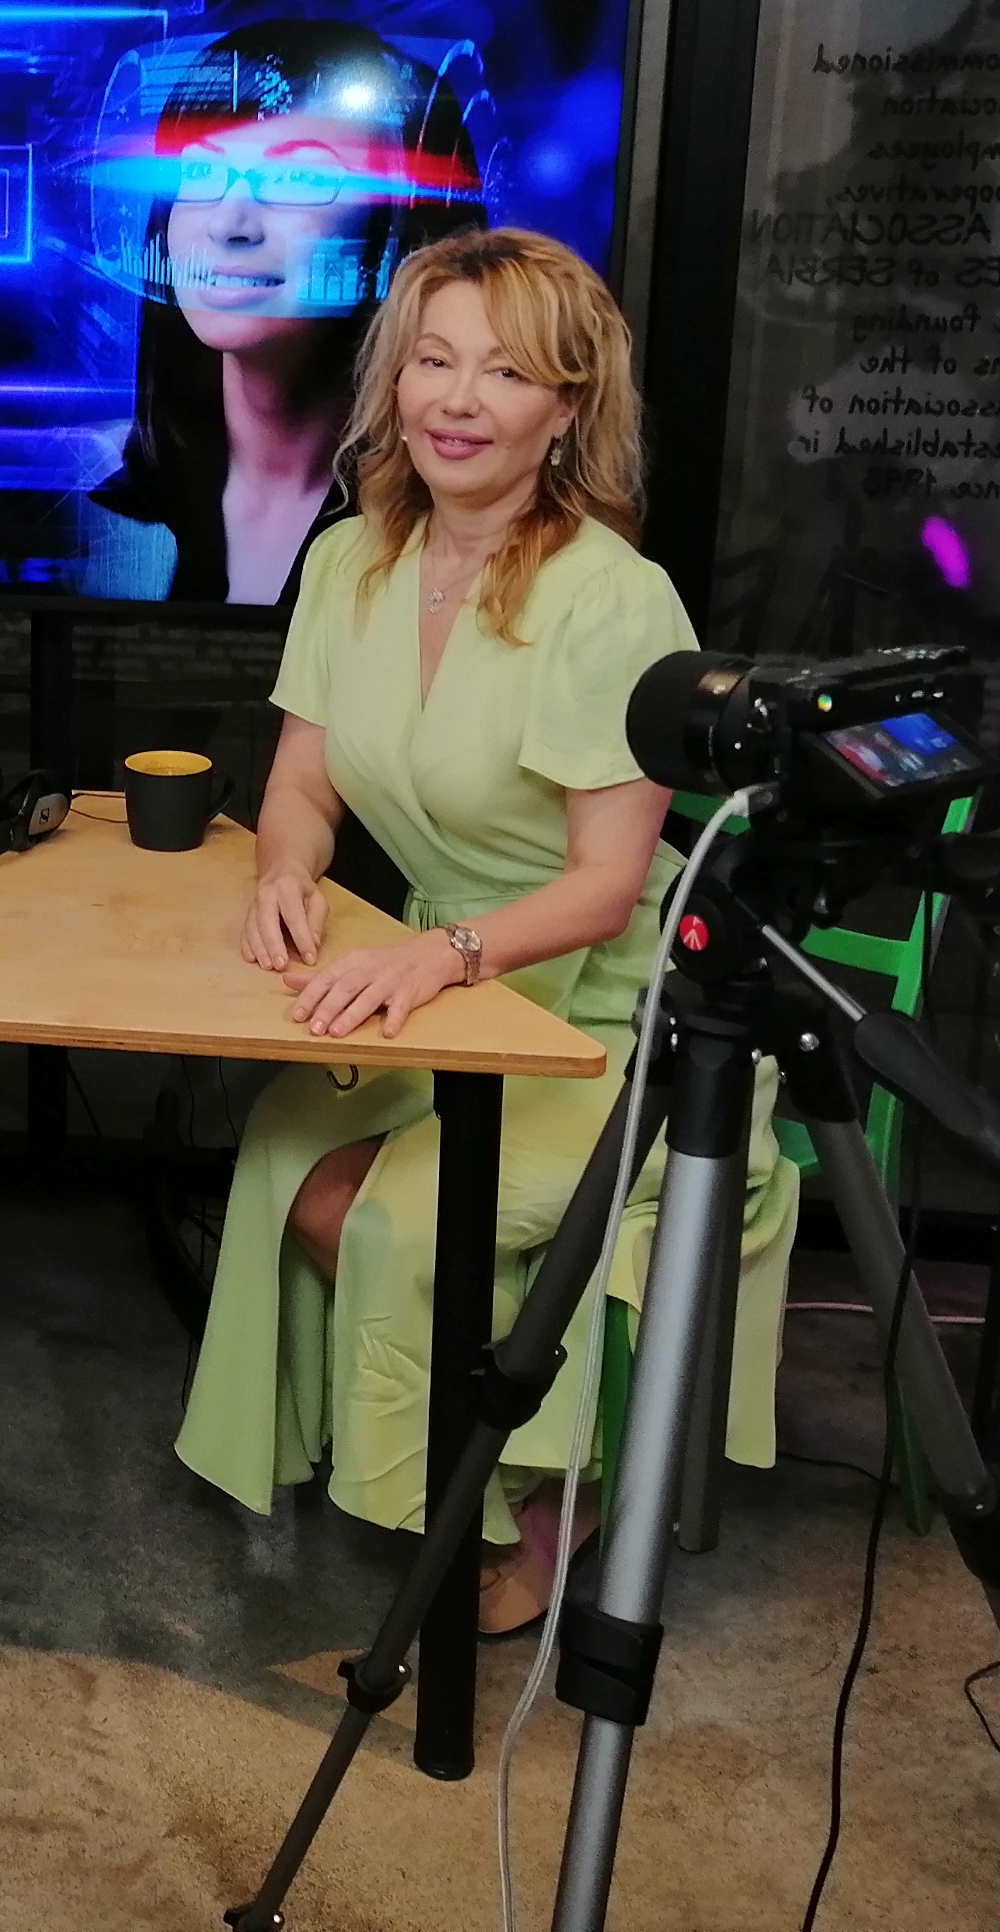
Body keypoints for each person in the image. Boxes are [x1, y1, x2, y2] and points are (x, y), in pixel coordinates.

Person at [171, 227, 796, 1634]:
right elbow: (300, 785)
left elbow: (605, 888)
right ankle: (488, 1448)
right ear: (393, 381)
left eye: (506, 373)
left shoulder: (615, 598)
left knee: (400, 1217)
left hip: (611, 1012)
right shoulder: (350, 560)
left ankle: (542, 1498)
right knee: (286, 1159)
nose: (458, 400)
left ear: (566, 409)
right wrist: (284, 870)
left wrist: (437, 954)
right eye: (434, 361)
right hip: (445, 979)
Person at [83, 20, 486, 608]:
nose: (230, 223)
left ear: (399, 232)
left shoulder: (463, 539)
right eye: (201, 171)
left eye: (299, 176)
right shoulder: (94, 529)